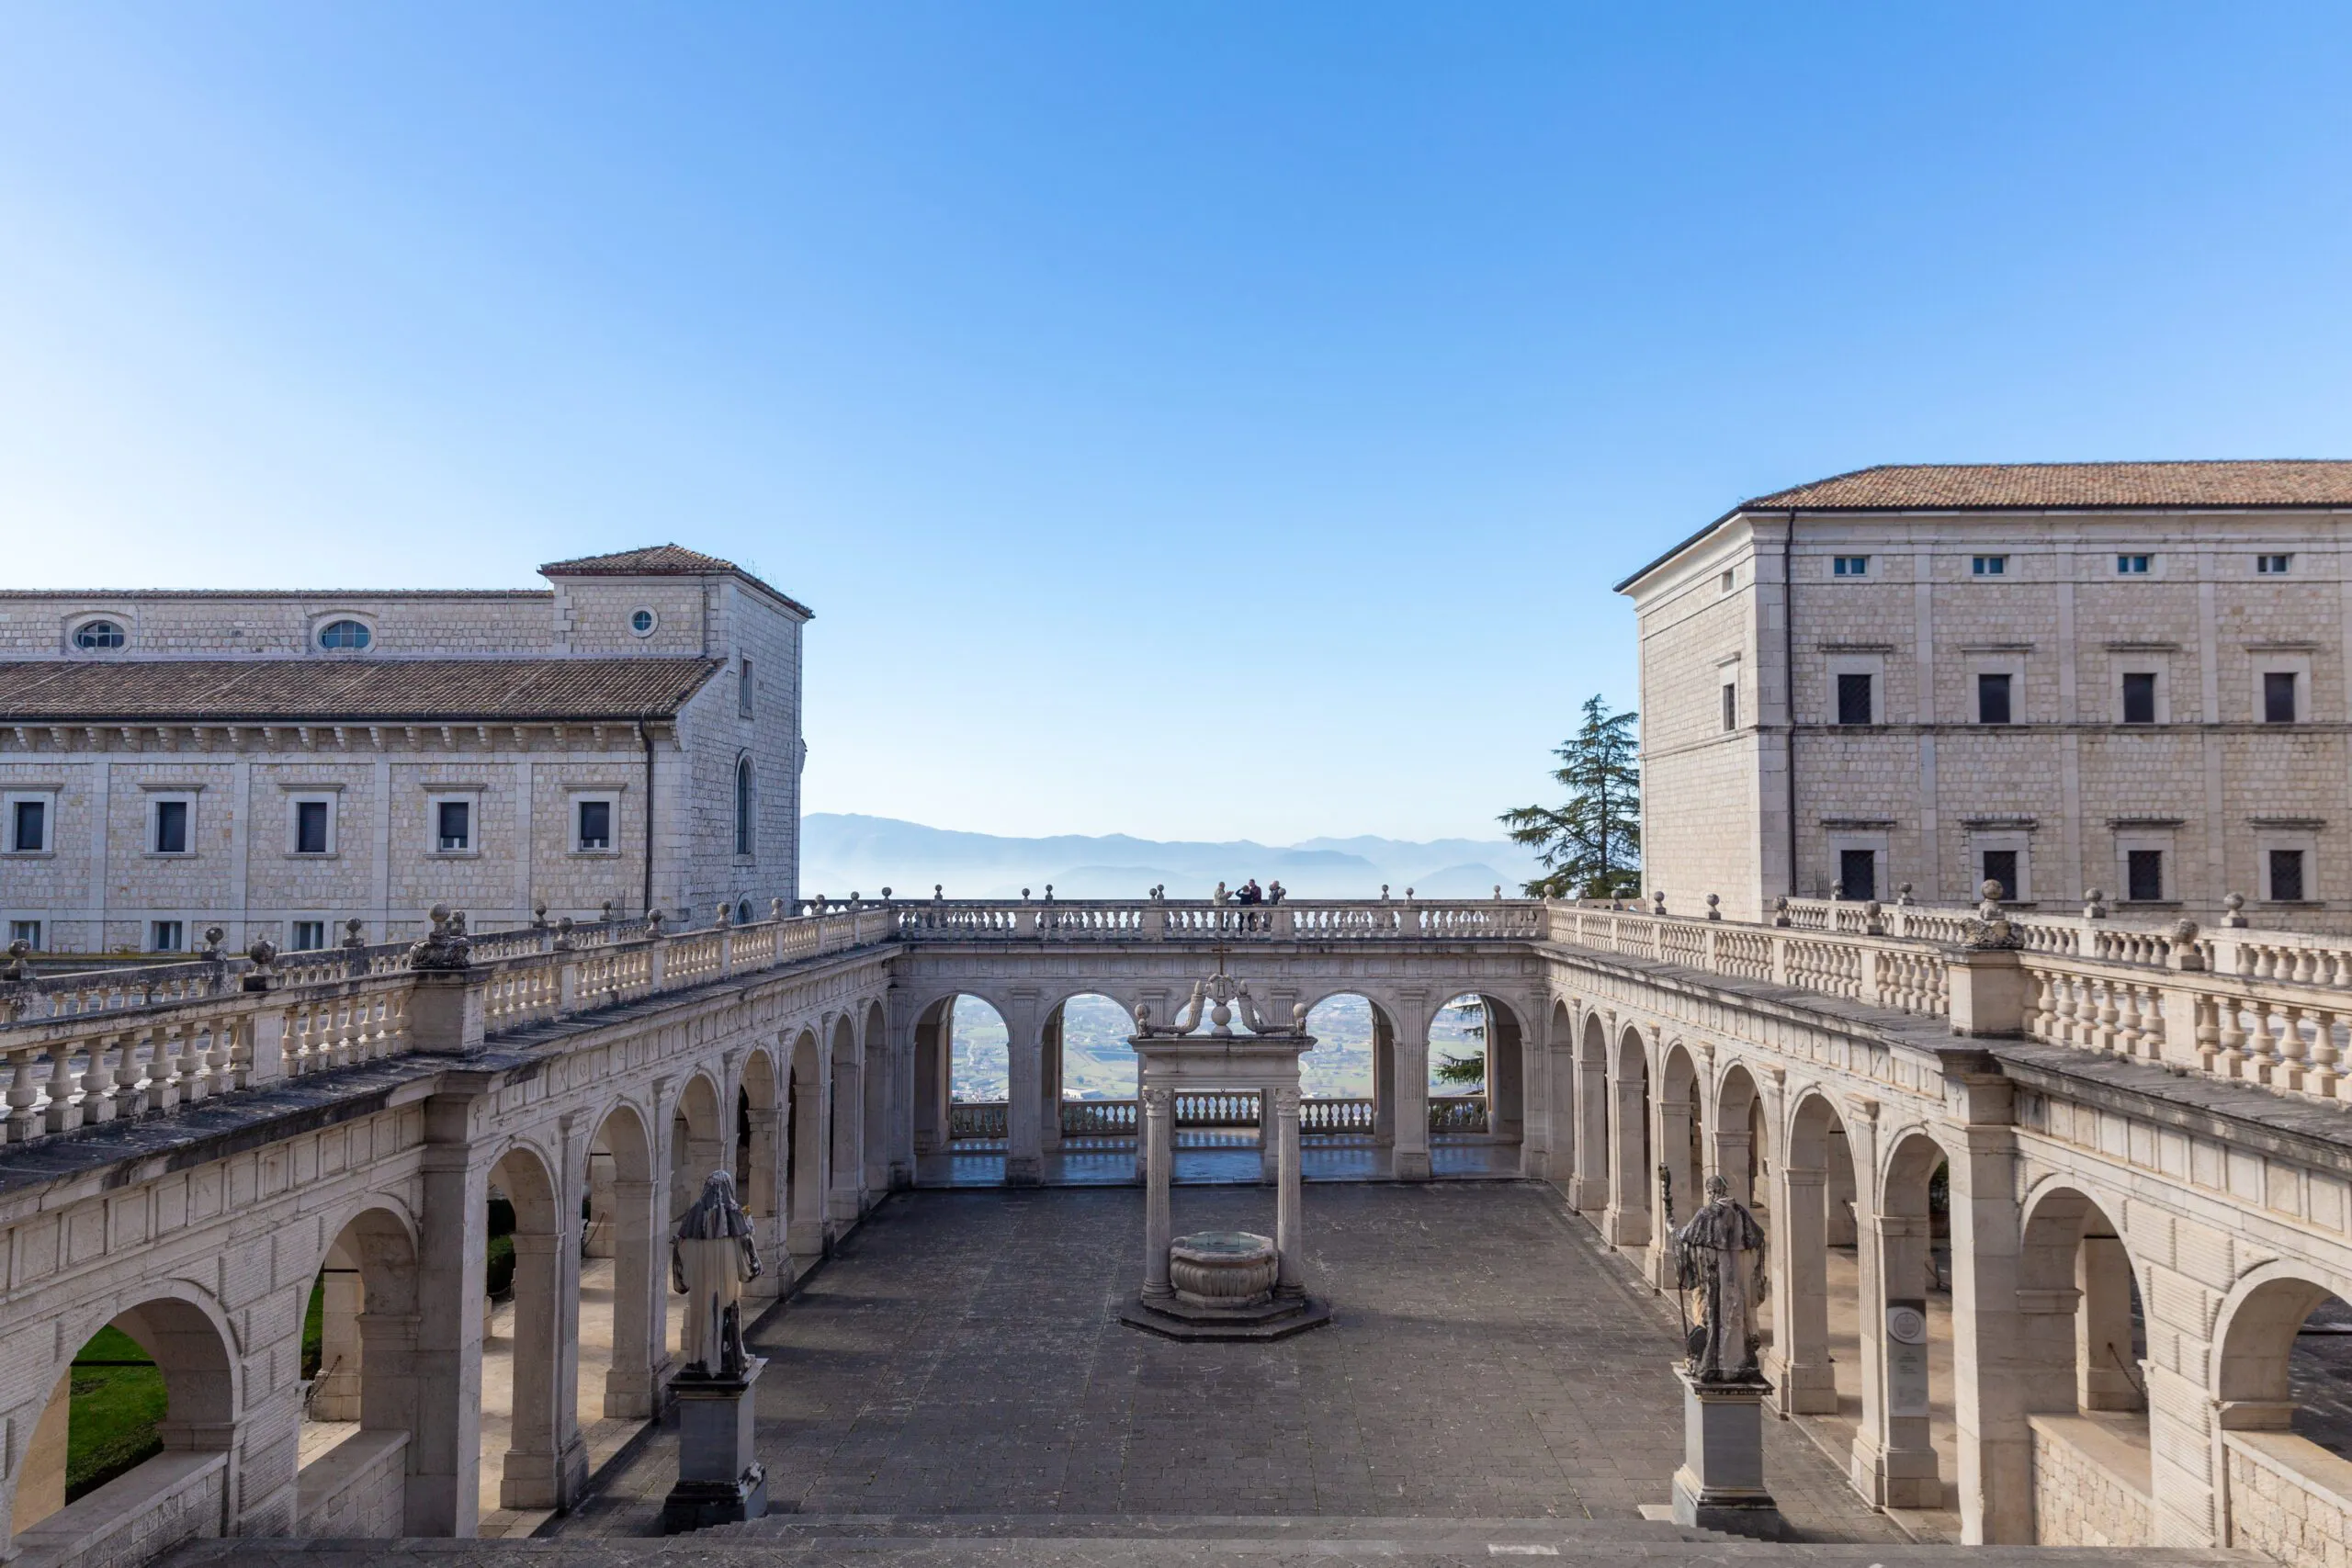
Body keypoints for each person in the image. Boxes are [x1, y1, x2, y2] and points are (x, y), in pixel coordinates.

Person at [672, 1169, 763, 1377]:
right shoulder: (734, 1214)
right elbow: (746, 1254)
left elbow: (682, 1249)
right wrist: (748, 1227)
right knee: (726, 1312)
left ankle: (699, 1358)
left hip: (701, 1283)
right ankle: (727, 1360)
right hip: (725, 1280)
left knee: (702, 1314)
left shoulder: (694, 1214)